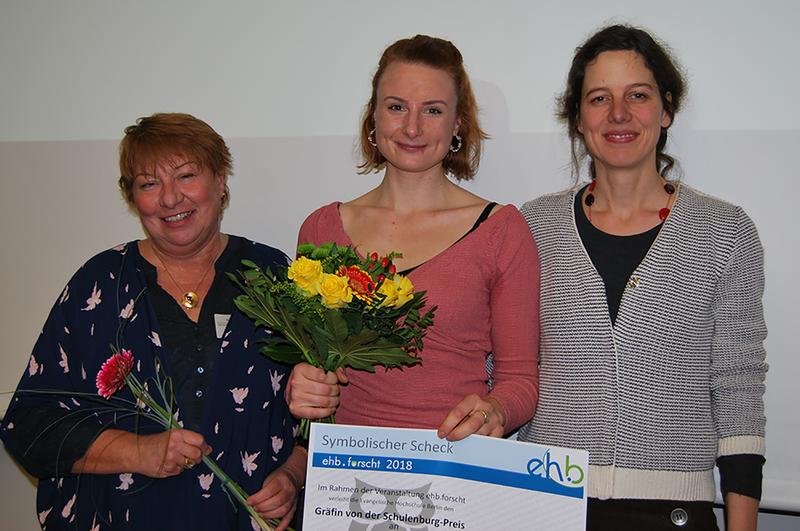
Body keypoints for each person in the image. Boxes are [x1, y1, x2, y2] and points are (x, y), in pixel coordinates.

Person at [0, 113, 305, 530]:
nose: (170, 198)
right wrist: (135, 452)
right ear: (133, 198)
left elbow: (327, 409)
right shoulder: (102, 284)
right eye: (149, 184)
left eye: (186, 176)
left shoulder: (271, 274)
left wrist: (294, 474)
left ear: (220, 181)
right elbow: (28, 425)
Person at [518, 25, 767, 531]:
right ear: (577, 118)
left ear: (666, 109)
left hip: (674, 514)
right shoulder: (531, 228)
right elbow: (502, 363)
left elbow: (738, 387)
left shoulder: (725, 231)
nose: (618, 115)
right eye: (599, 98)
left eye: (638, 95)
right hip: (544, 505)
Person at [286, 35, 540, 442]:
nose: (412, 127)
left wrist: (496, 410)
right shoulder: (321, 229)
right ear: (374, 116)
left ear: (458, 123)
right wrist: (301, 384)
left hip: (452, 475)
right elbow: (308, 363)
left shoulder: (500, 230)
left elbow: (521, 380)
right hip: (342, 476)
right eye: (396, 107)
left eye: (433, 110)